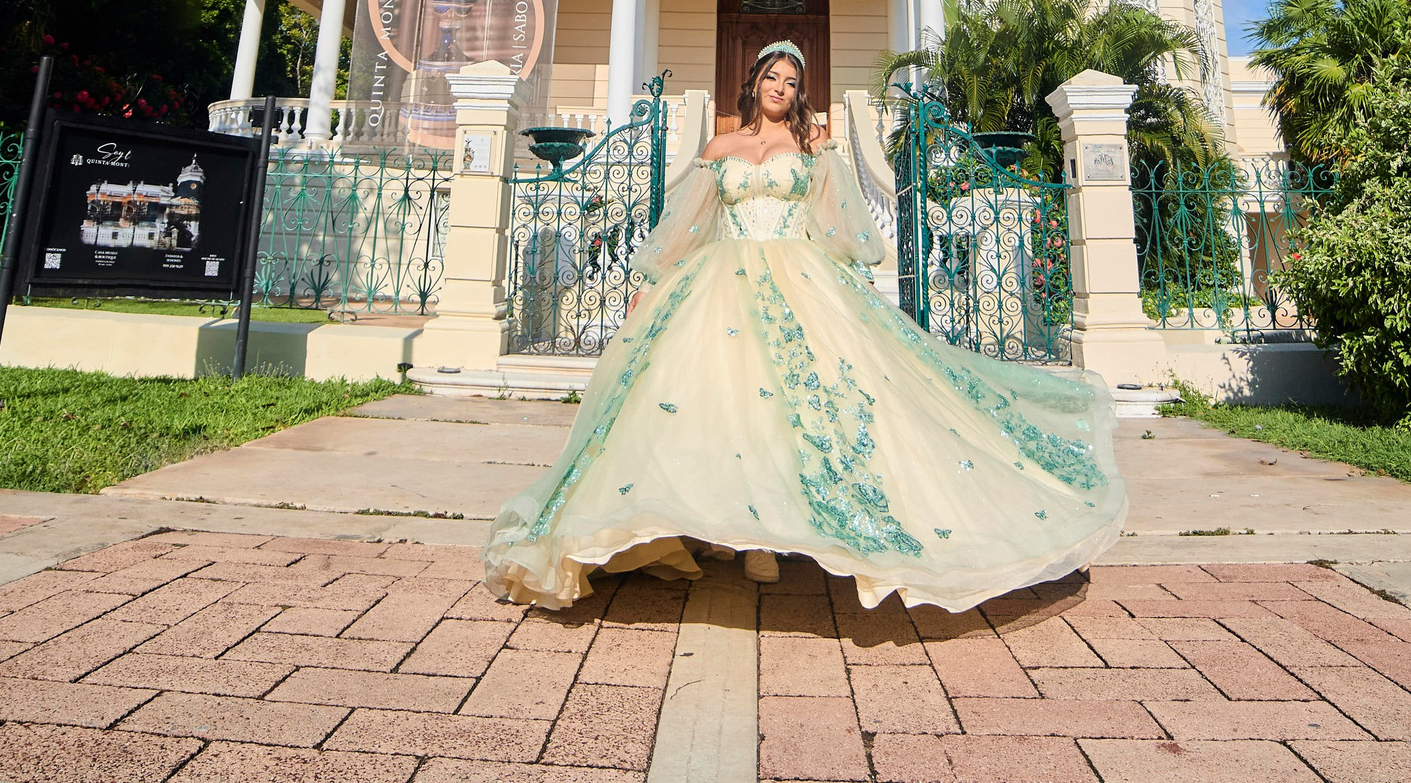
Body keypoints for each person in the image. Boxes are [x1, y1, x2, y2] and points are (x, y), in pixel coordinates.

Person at [482, 41, 1127, 612]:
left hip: (799, 279)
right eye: (773, 79)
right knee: (714, 407)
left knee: (803, 405)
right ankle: (710, 528)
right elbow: (689, 226)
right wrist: (649, 284)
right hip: (720, 283)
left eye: (792, 83)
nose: (781, 90)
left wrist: (845, 278)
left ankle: (766, 543)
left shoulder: (813, 148)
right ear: (754, 81)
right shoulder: (719, 147)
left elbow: (840, 227)